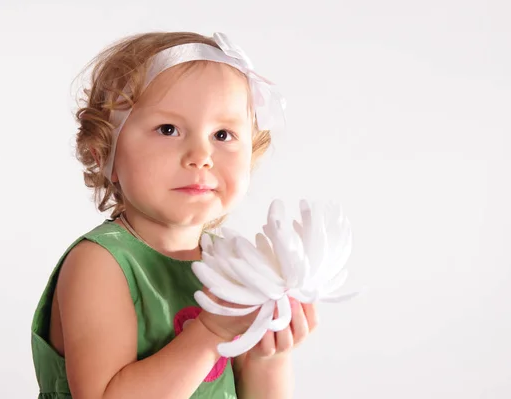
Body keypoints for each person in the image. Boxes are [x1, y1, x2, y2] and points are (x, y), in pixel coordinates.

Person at [31, 31, 318, 399]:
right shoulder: (100, 265)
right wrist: (210, 332)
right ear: (105, 154)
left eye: (223, 134)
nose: (201, 155)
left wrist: (269, 356)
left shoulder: (232, 264)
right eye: (168, 129)